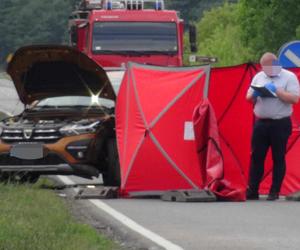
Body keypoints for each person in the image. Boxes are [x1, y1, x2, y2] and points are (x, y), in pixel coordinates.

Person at [246, 52, 300, 200]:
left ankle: (274, 191)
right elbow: (248, 98)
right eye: (264, 68)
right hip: (261, 122)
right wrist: (256, 93)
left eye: (269, 68)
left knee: (278, 157)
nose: (267, 72)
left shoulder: (289, 77)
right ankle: (253, 190)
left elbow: (294, 98)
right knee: (257, 156)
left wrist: (277, 91)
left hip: (280, 122)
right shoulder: (259, 76)